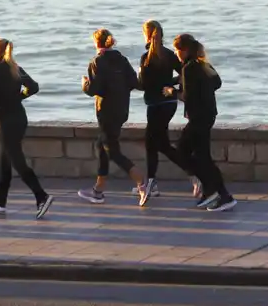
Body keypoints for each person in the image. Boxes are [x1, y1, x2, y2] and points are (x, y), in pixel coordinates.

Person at [0, 38, 53, 219]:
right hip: (19, 118)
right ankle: (1, 200)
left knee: (17, 161)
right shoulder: (15, 67)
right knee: (6, 159)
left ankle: (42, 196)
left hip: (5, 120)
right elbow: (33, 87)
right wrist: (18, 96)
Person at [78, 29, 147, 206]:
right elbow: (136, 83)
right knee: (102, 146)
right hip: (122, 110)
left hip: (106, 111)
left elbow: (95, 90)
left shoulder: (97, 61)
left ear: (96, 43)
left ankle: (140, 181)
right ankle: (98, 191)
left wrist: (85, 85)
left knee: (111, 150)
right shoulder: (121, 59)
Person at [174, 33, 234, 212]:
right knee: (203, 156)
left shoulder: (189, 69)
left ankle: (213, 190)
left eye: (177, 50)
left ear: (183, 50)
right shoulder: (203, 64)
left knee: (182, 150)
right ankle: (221, 194)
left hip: (198, 117)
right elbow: (217, 83)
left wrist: (172, 92)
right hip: (208, 115)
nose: (176, 54)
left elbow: (188, 97)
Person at [137, 20, 191, 201]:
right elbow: (186, 71)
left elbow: (144, 85)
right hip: (169, 104)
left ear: (146, 35)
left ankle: (194, 174)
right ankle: (153, 182)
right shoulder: (169, 54)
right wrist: (174, 83)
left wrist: (131, 82)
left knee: (156, 144)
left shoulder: (146, 58)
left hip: (154, 105)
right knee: (156, 143)